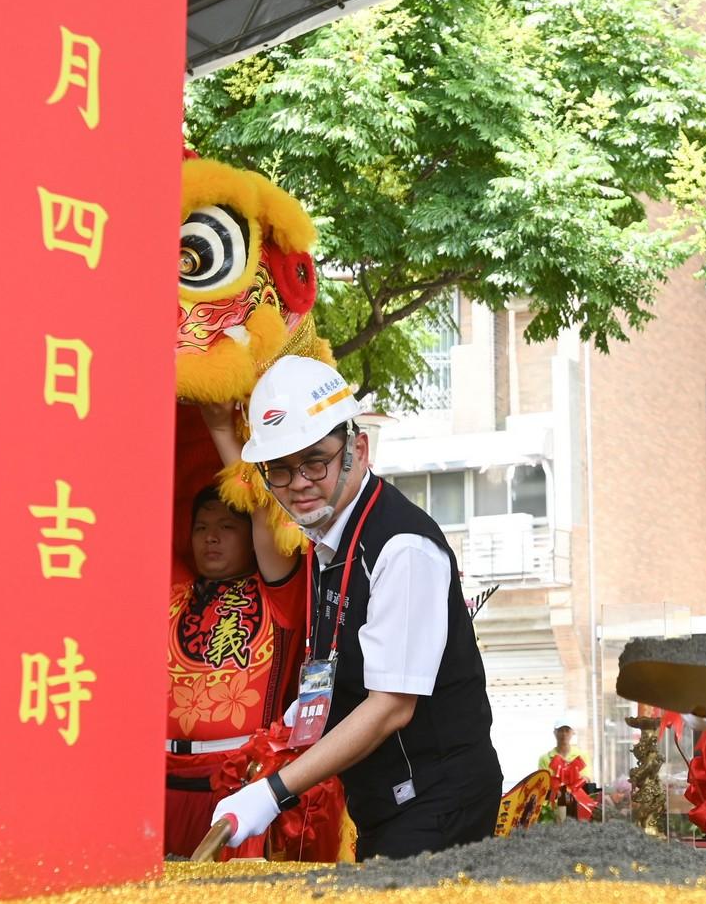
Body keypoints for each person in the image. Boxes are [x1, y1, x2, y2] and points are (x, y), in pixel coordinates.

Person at [210, 357, 503, 860]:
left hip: (437, 802)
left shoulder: (401, 547)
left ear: (358, 449)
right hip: (386, 803)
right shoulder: (328, 540)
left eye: (315, 462)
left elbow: (391, 706)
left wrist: (273, 792)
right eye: (279, 470)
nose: (298, 483)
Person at [164, 404, 302, 858]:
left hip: (235, 787)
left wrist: (221, 427)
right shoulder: (174, 589)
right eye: (201, 527)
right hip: (157, 782)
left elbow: (265, 514)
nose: (211, 537)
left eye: (226, 526)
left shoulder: (277, 592)